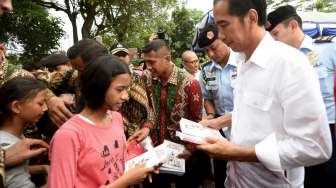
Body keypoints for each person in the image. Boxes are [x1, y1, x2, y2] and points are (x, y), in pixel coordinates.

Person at [195, 0, 332, 187]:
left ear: (251, 17)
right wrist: (216, 123)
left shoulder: (290, 64)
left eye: (224, 25)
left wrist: (236, 153)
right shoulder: (243, 62)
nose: (221, 36)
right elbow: (253, 111)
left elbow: (315, 147)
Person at [47, 55, 156, 188]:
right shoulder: (68, 136)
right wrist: (125, 182)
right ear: (98, 87)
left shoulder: (116, 118)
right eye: (119, 89)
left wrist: (142, 167)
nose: (126, 97)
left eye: (127, 89)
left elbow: (116, 162)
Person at [266, 5, 336, 188]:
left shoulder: (328, 49)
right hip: (296, 132)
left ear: (293, 26)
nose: (273, 40)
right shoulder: (278, 61)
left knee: (329, 178)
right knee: (305, 181)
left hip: (329, 126)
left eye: (275, 33)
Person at [133, 39, 211, 188]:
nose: (148, 67)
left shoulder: (190, 83)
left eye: (152, 62)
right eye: (146, 62)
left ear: (167, 59)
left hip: (182, 154)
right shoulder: (146, 77)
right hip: (155, 152)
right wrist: (147, 126)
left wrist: (190, 149)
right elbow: (149, 109)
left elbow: (196, 121)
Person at [197, 23, 240, 188]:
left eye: (213, 48)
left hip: (243, 126)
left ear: (224, 40)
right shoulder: (206, 71)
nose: (210, 54)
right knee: (221, 173)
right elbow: (207, 98)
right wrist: (210, 115)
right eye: (206, 51)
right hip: (219, 130)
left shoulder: (244, 63)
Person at [0, 77, 50, 188]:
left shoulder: (13, 136)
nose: (46, 108)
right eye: (40, 104)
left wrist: (42, 168)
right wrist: (57, 181)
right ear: (16, 107)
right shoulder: (8, 144)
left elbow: (13, 170)